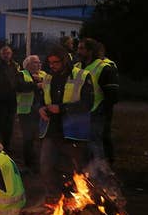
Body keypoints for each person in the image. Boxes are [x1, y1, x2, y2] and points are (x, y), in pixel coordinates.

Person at [38, 47, 93, 198]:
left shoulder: (82, 76)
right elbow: (43, 99)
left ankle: (76, 201)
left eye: (55, 62)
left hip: (73, 132)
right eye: (50, 63)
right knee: (46, 166)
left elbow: (87, 104)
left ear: (65, 61)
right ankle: (55, 200)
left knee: (76, 170)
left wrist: (62, 108)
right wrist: (41, 108)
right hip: (51, 130)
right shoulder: (48, 77)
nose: (52, 65)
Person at [76, 38, 119, 164]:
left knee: (96, 141)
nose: (78, 51)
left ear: (90, 51)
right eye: (78, 48)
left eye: (82, 48)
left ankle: (100, 169)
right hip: (79, 112)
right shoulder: (77, 67)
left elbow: (112, 96)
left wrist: (103, 111)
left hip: (97, 111)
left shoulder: (104, 68)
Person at [15, 55, 46, 173]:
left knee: (42, 138)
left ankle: (41, 162)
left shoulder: (43, 74)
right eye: (35, 63)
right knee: (28, 138)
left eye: (39, 62)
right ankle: (29, 164)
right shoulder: (21, 74)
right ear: (27, 65)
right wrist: (35, 85)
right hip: (26, 112)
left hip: (42, 111)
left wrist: (42, 81)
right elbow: (18, 86)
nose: (38, 65)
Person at [0, 45, 20, 150]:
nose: (6, 55)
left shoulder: (15, 65)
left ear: (11, 54)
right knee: (0, 123)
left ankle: (7, 145)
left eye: (8, 53)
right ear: (1, 54)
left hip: (12, 99)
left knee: (10, 123)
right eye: (4, 53)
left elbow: (18, 80)